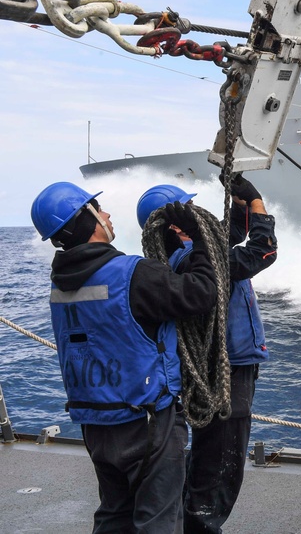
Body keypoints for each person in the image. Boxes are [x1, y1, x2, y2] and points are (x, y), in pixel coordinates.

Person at [31, 182, 217, 533]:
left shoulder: (60, 284)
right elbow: (201, 294)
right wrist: (198, 238)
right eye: (98, 209)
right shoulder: (133, 273)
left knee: (115, 515)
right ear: (86, 220)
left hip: (94, 423)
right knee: (158, 519)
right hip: (145, 421)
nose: (107, 214)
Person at [137, 175, 277, 533]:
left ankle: (192, 522)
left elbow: (225, 236)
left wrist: (241, 202)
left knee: (208, 458)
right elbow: (263, 250)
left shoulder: (186, 258)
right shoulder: (198, 262)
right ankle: (200, 525)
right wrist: (258, 201)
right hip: (225, 370)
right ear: (179, 225)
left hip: (222, 365)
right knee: (217, 468)